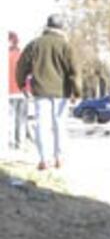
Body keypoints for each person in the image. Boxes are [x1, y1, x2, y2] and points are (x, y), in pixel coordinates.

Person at [16, 15, 80, 170]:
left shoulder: (35, 44)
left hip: (40, 90)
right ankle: (60, 158)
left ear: (47, 26)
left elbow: (21, 65)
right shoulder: (66, 46)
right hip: (61, 91)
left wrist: (22, 84)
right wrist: (76, 92)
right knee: (60, 125)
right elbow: (74, 71)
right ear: (61, 27)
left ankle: (44, 159)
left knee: (42, 125)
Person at [7, 32, 28, 150]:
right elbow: (29, 74)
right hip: (22, 91)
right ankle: (21, 142)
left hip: (8, 92)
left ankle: (11, 142)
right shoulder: (22, 55)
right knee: (21, 119)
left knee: (10, 117)